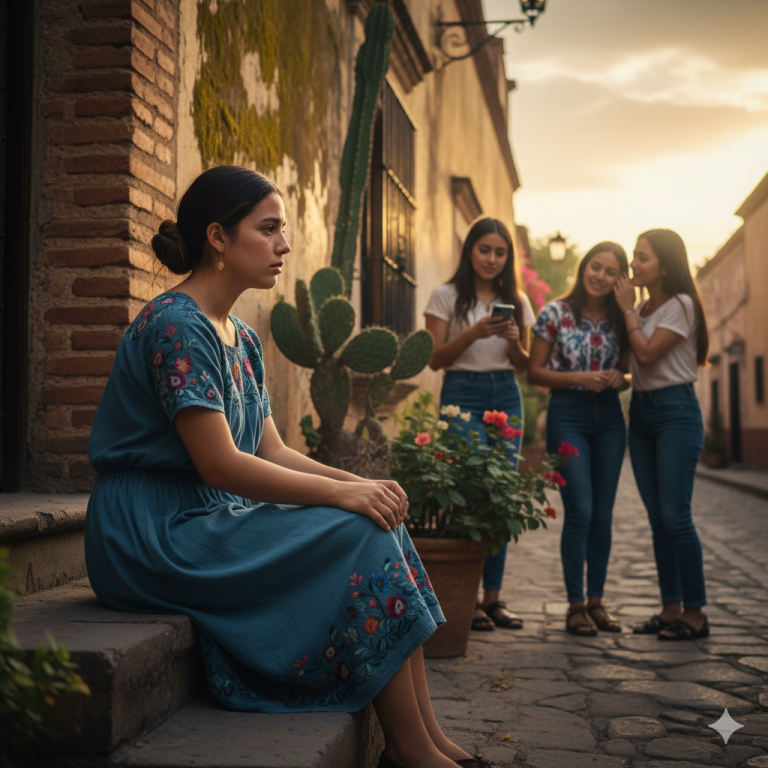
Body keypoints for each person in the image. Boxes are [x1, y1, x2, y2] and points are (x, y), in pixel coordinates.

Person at [84, 165, 490, 768]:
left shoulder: (241, 339)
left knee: (380, 516)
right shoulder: (176, 326)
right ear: (218, 237)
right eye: (268, 228)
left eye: (284, 229)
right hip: (151, 531)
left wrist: (361, 484)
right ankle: (412, 752)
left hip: (208, 515)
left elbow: (271, 450)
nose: (285, 244)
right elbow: (222, 466)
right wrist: (340, 499)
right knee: (356, 526)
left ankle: (427, 738)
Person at [424, 217, 535, 633]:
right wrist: (474, 332)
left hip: (506, 393)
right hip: (462, 393)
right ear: (470, 250)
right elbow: (435, 358)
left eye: (500, 252)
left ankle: (493, 598)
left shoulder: (518, 301)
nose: (491, 258)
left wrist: (510, 340)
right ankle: (466, 599)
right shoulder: (446, 295)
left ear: (508, 258)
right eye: (484, 249)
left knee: (499, 495)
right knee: (469, 491)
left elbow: (524, 366)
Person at [527, 243, 630, 636]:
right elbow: (535, 372)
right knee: (581, 511)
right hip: (567, 413)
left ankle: (596, 602)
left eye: (610, 271)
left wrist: (623, 378)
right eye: (595, 266)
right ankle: (574, 605)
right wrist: (580, 378)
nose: (599, 275)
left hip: (608, 416)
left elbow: (632, 369)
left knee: (603, 515)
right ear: (583, 267)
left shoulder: (623, 320)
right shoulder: (555, 312)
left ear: (619, 279)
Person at [613, 229, 710, 641]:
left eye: (642, 257)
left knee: (676, 516)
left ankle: (696, 612)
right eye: (635, 256)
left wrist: (626, 311)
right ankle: (670, 608)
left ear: (665, 265)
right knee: (657, 520)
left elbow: (649, 353)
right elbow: (636, 364)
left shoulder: (681, 305)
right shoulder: (646, 308)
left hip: (676, 412)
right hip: (644, 411)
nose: (633, 264)